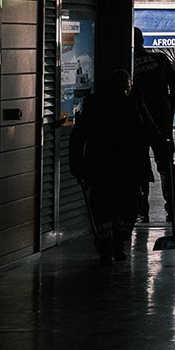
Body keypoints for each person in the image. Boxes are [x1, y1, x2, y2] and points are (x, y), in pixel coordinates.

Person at [71, 67, 148, 262]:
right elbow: (79, 137)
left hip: (129, 164)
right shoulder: (95, 105)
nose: (124, 91)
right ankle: (105, 245)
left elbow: (148, 126)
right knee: (104, 207)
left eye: (127, 87)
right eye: (121, 87)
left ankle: (120, 242)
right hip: (103, 164)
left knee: (128, 206)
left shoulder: (135, 102)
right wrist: (77, 165)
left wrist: (163, 146)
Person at [132, 28, 175, 228]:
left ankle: (142, 212)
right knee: (166, 165)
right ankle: (172, 209)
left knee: (139, 166)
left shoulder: (126, 60)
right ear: (143, 40)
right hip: (161, 119)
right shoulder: (160, 59)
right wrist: (170, 109)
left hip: (138, 120)